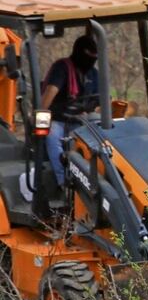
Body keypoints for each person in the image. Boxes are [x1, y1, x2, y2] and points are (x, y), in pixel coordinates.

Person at [40, 35, 99, 186]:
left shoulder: (93, 74)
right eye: (88, 56)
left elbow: (101, 100)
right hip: (58, 119)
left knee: (96, 141)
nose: (90, 61)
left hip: (81, 120)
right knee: (52, 137)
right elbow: (50, 92)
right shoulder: (62, 68)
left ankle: (93, 179)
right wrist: (39, 113)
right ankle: (64, 182)